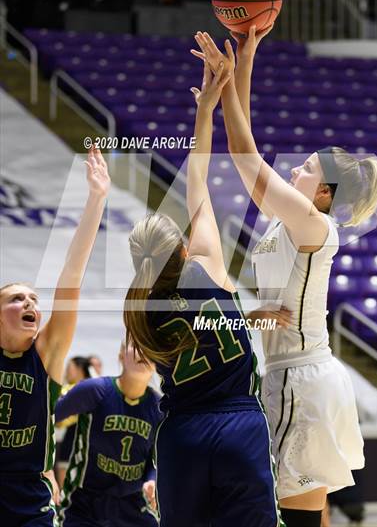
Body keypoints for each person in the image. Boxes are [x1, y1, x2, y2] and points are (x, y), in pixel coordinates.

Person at [192, 30, 377, 527]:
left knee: (295, 518)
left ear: (323, 191)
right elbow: (248, 141)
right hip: (294, 373)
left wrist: (229, 79)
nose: (294, 169)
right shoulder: (290, 220)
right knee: (307, 516)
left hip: (302, 377)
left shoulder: (314, 225)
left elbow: (245, 153)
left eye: (303, 168)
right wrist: (244, 62)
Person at [123, 61, 284, 527]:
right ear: (184, 247)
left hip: (182, 435)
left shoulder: (140, 310)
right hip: (238, 425)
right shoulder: (207, 264)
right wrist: (205, 110)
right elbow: (199, 183)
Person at [0, 147, 110, 527]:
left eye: (33, 299)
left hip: (30, 499)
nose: (30, 302)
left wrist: (96, 199)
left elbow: (71, 276)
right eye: (17, 299)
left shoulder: (46, 354)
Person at [55, 341, 161, 527]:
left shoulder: (158, 406)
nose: (143, 352)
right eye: (136, 345)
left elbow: (155, 458)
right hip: (84, 505)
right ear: (121, 354)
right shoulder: (94, 390)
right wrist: (45, 469)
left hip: (132, 506)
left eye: (149, 346)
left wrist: (152, 480)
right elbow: (45, 419)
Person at [56, 356, 95, 488]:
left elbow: (59, 417)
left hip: (84, 437)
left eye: (69, 368)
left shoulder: (84, 388)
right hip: (69, 438)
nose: (66, 371)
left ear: (79, 369)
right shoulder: (68, 387)